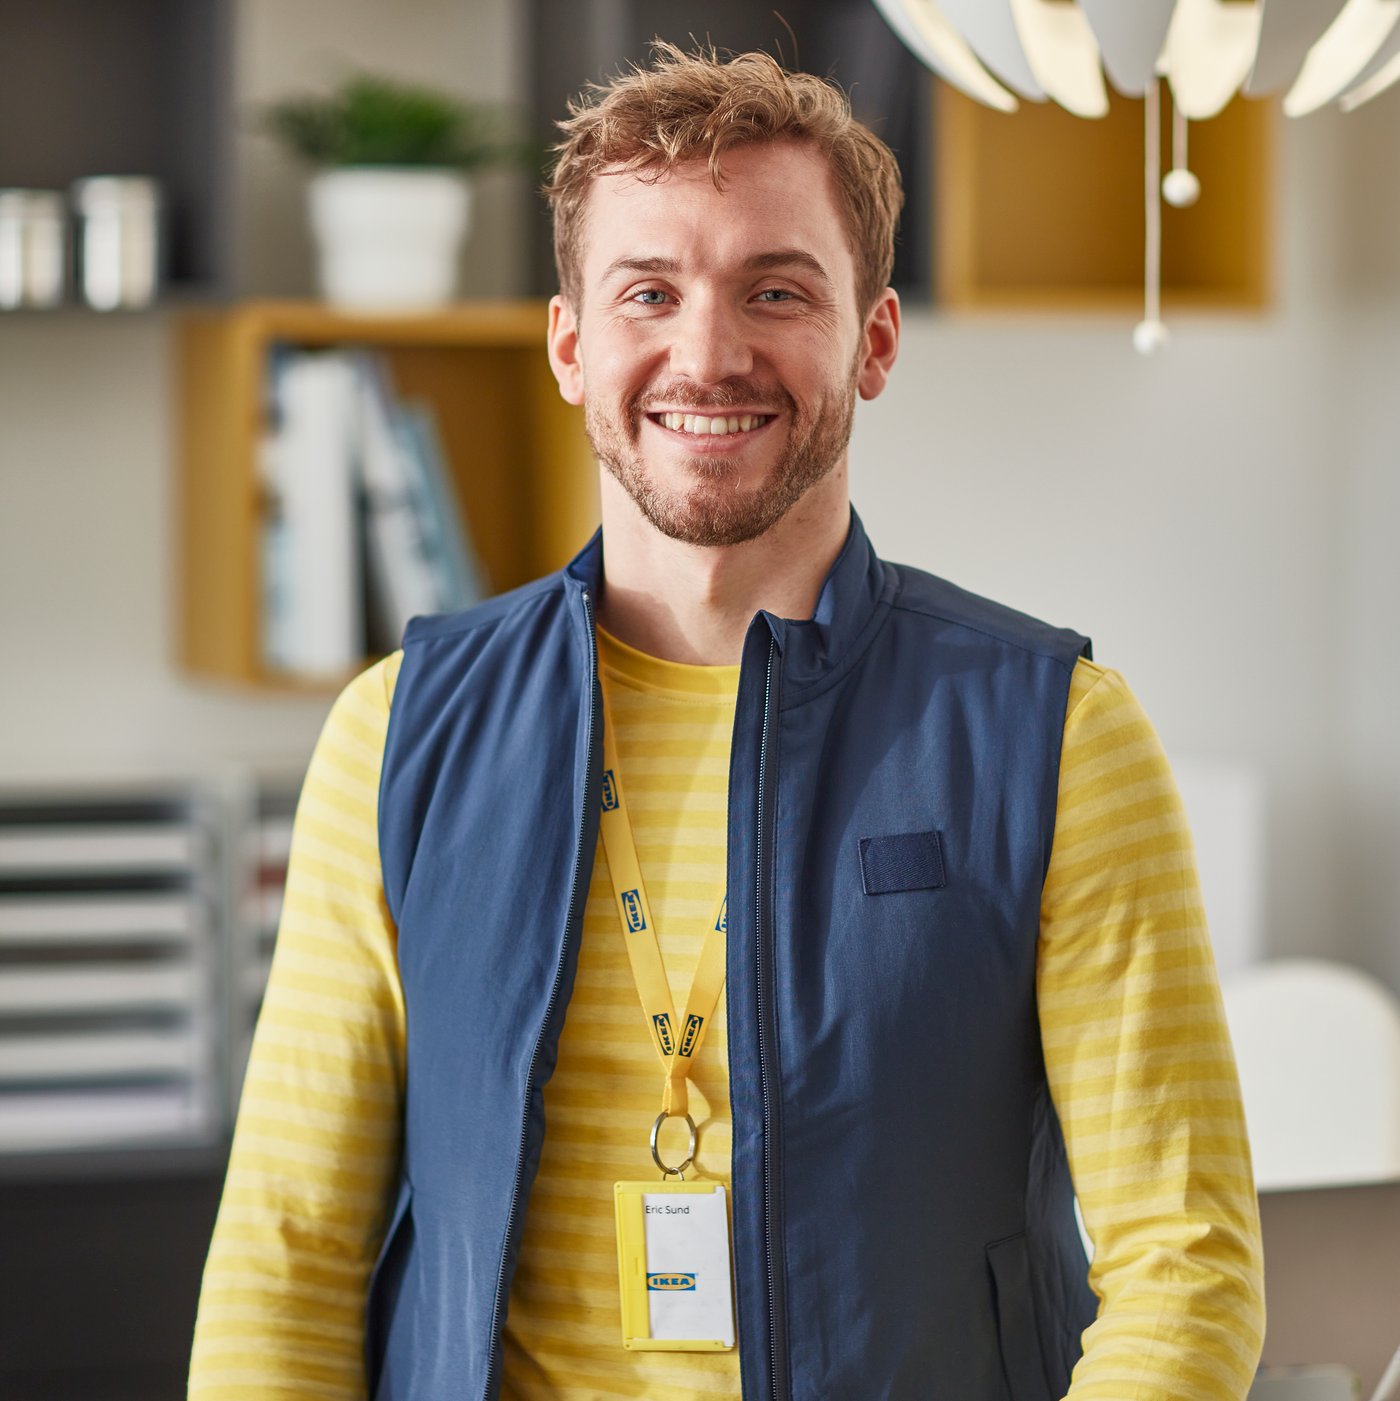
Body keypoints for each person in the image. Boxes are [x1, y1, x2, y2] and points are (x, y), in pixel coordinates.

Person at [189, 44, 1265, 1401]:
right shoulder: (398, 733)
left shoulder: (1056, 736)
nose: (708, 351)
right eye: (650, 290)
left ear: (872, 340)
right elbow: (286, 1258)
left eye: (776, 289)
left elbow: (1189, 1262)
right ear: (571, 344)